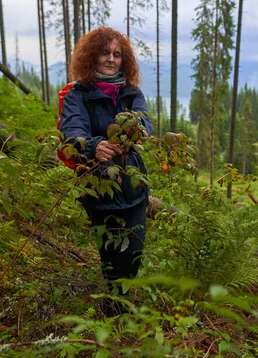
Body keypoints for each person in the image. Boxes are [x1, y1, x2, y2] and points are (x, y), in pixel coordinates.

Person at [59, 27, 153, 314]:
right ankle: (114, 315)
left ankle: (119, 309)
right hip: (98, 188)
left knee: (133, 252)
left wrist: (134, 133)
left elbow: (145, 125)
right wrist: (93, 145)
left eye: (117, 54)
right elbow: (71, 131)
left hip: (134, 187)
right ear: (91, 56)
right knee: (110, 255)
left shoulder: (131, 92)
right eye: (104, 53)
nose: (111, 59)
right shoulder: (78, 94)